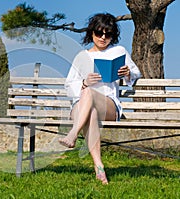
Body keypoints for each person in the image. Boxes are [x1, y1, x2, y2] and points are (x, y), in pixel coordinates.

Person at [58, 13, 141, 184]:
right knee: (91, 110)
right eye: (99, 33)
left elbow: (135, 74)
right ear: (92, 33)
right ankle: (99, 168)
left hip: (108, 105)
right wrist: (83, 82)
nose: (103, 38)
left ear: (113, 35)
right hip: (81, 107)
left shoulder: (118, 52)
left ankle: (73, 134)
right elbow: (69, 86)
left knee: (89, 94)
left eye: (108, 34)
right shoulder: (82, 56)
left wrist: (128, 73)